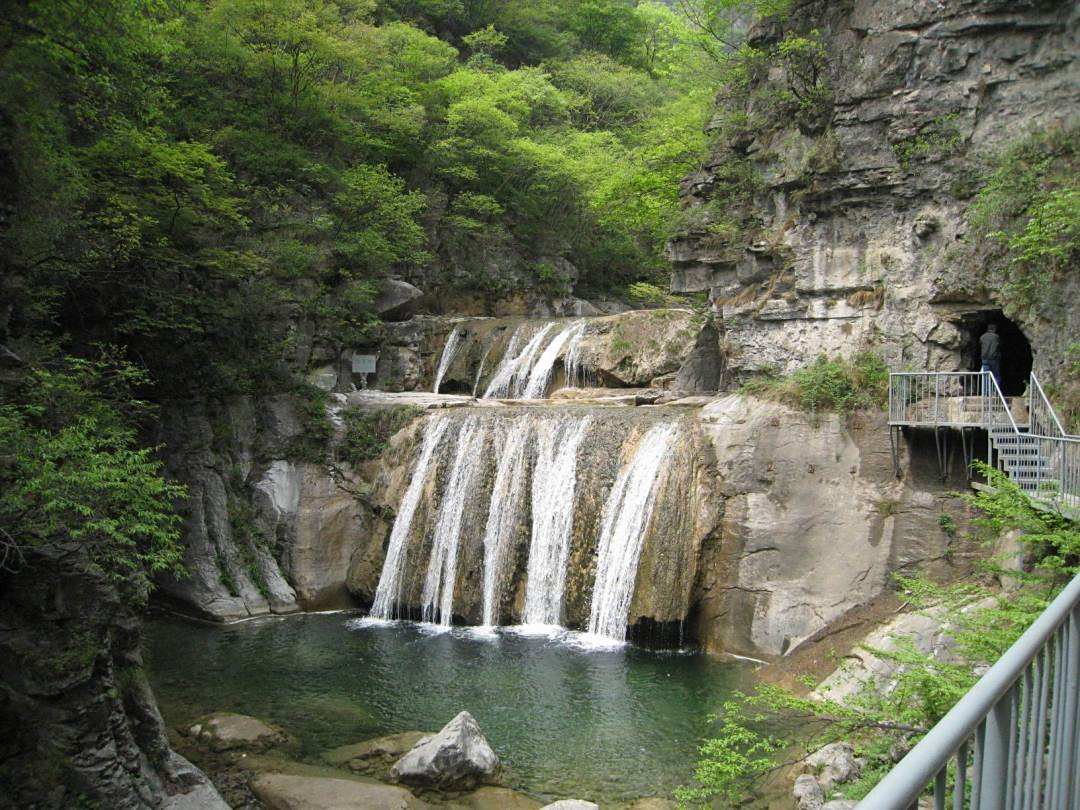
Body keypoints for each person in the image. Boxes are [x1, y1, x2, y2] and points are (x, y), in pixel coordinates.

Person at [980, 323, 1002, 387]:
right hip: (994, 359)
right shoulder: (996, 337)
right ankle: (995, 391)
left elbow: (981, 344)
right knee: (996, 376)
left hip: (984, 359)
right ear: (994, 329)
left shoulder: (982, 337)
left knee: (985, 376)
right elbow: (1000, 345)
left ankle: (986, 394)